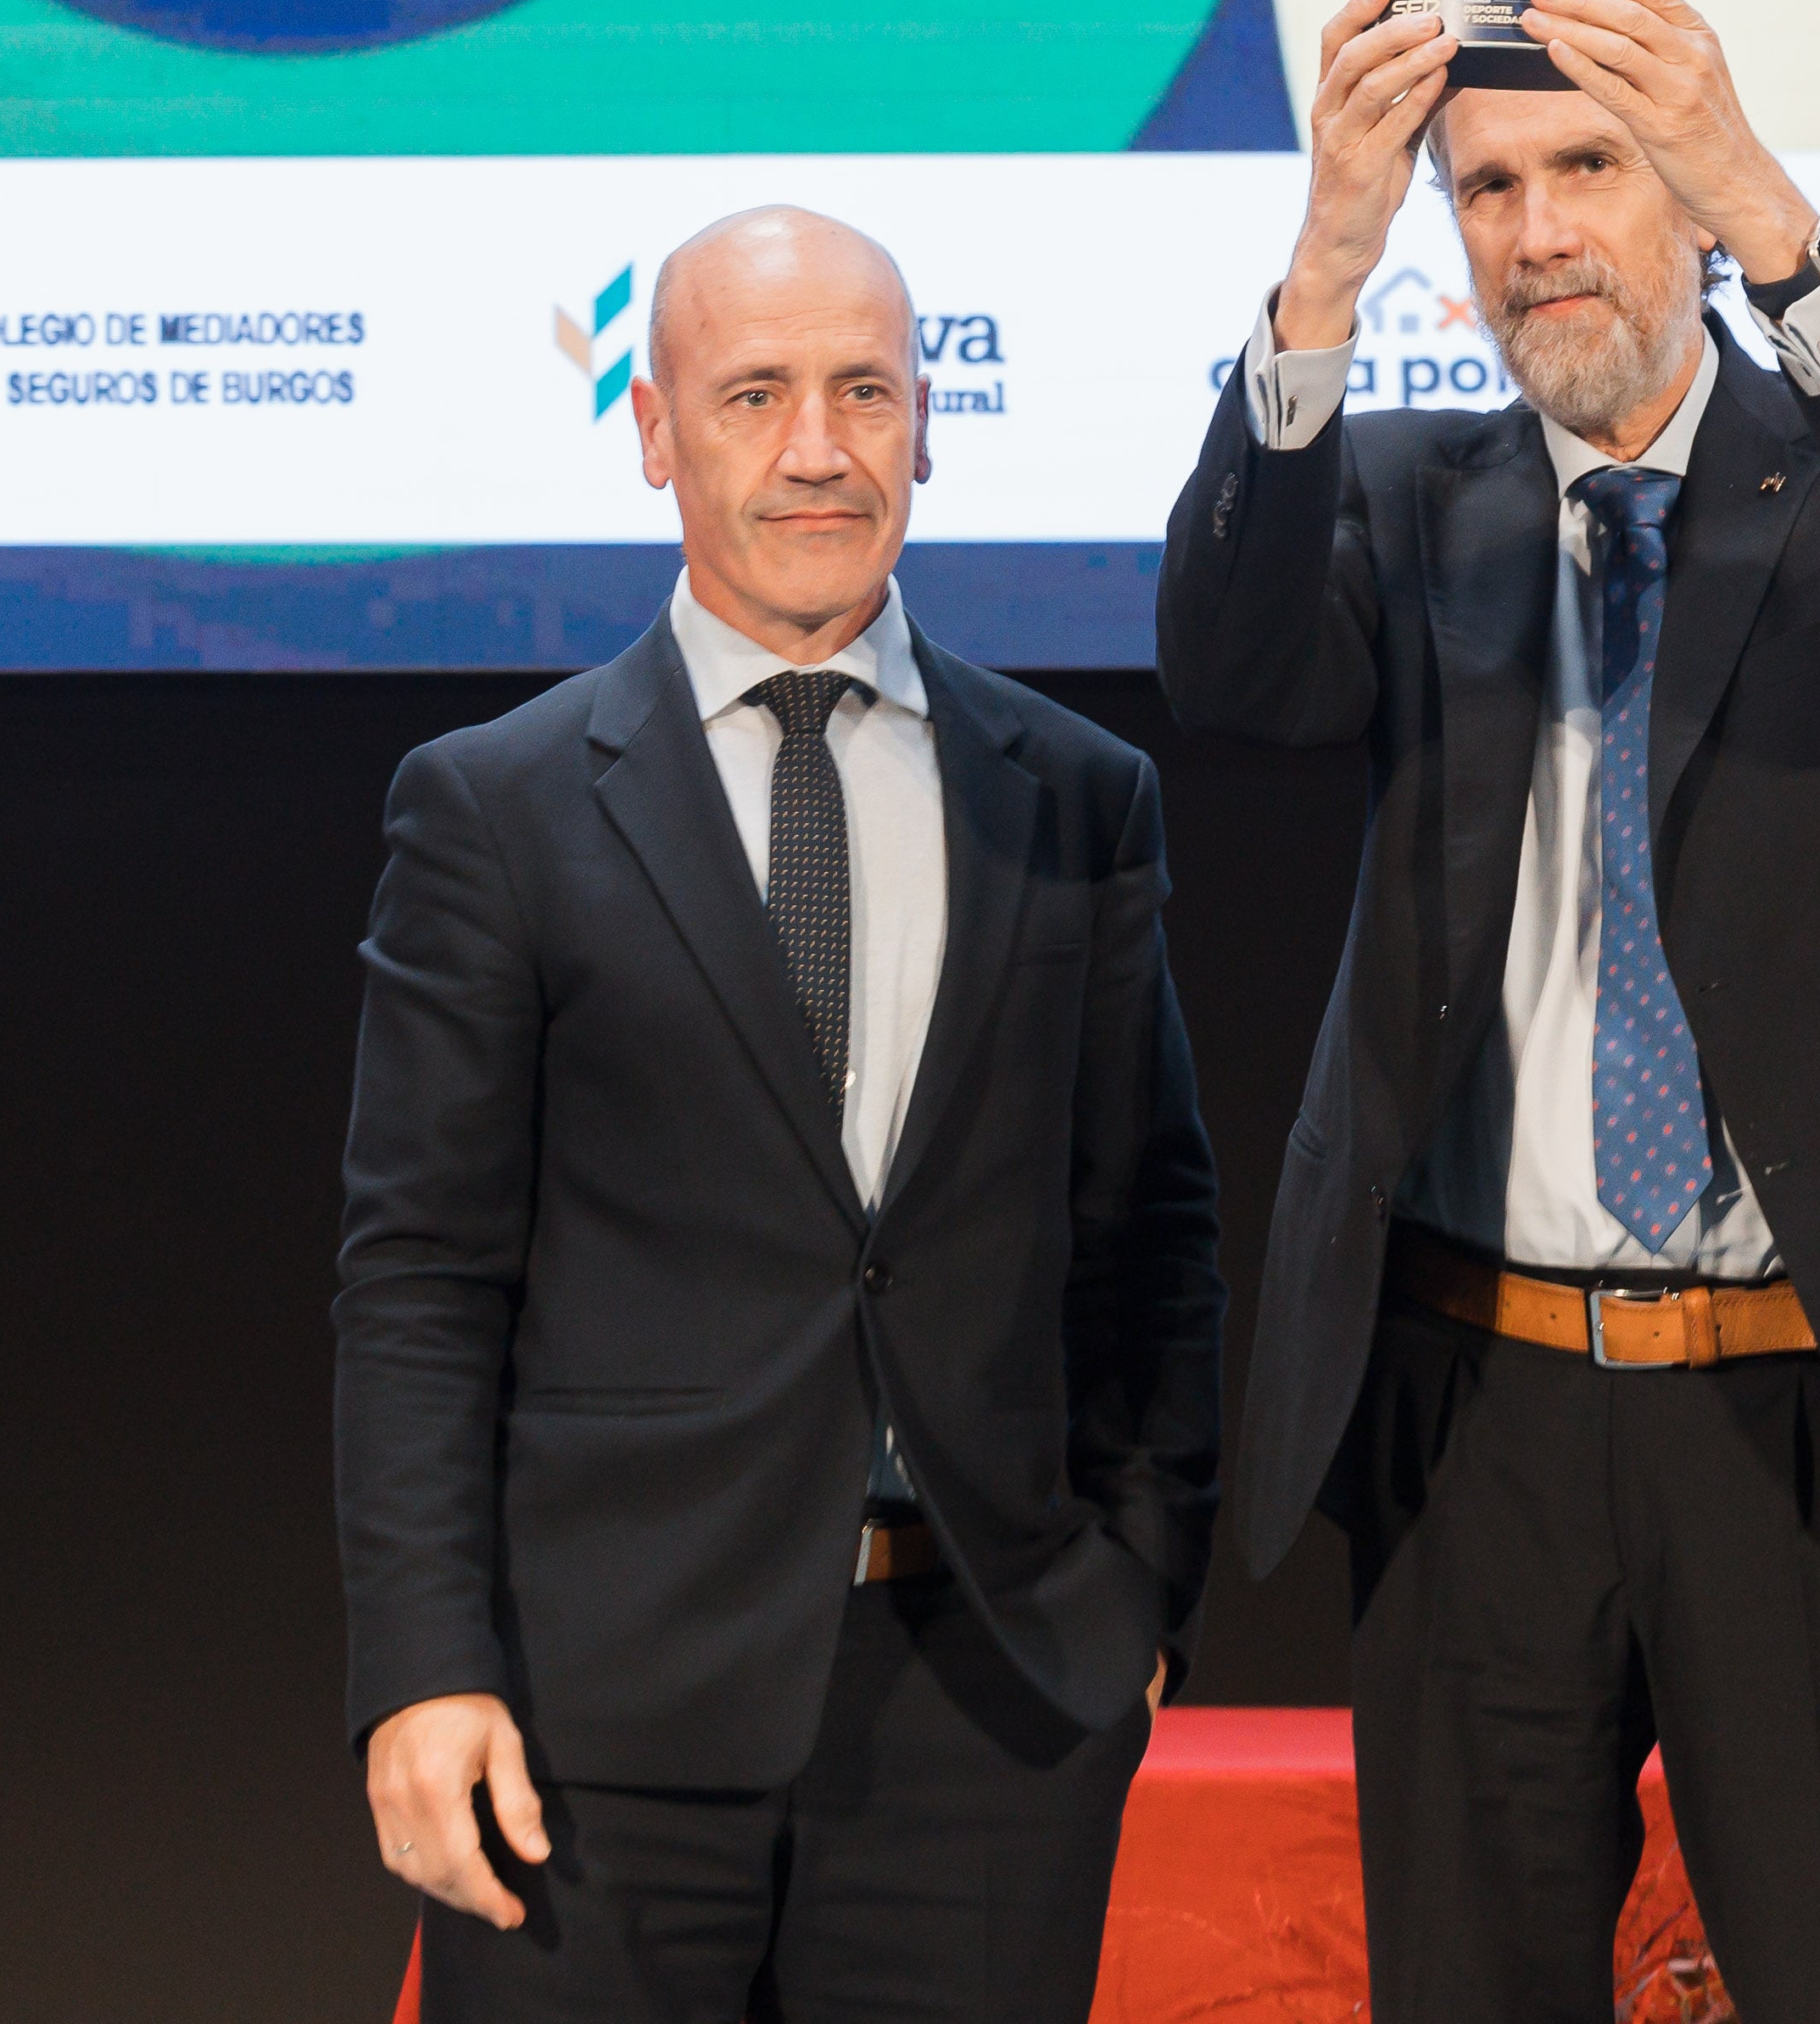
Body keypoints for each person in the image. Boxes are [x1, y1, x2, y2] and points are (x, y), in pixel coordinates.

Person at [1156, 0, 1820, 2024]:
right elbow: (1230, 673)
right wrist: (1326, 254)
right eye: (1486, 186)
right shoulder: (1416, 508)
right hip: (1476, 1402)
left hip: (1811, 1401)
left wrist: (1767, 195)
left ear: (1678, 195)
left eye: (1590, 165)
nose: (1538, 232)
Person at [333, 208, 1226, 2022]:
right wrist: (422, 1669)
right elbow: (418, 1280)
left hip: (988, 1707)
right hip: (594, 1725)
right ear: (657, 431)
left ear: (923, 421)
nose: (816, 447)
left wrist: (1135, 1595)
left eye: (862, 391)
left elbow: (1152, 1230)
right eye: (754, 395)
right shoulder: (496, 808)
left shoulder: (1072, 794)